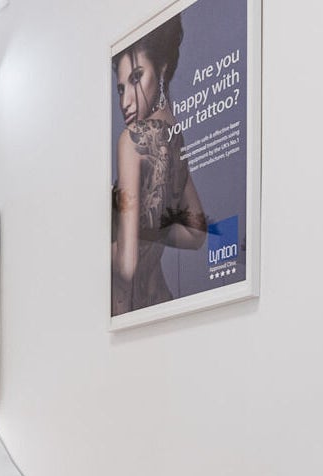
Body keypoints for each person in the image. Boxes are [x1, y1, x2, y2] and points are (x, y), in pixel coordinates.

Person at [111, 15, 207, 316]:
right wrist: (148, 227)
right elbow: (196, 234)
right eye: (120, 88)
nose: (126, 101)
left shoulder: (131, 141)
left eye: (136, 78)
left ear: (162, 69)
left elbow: (127, 265)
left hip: (128, 315)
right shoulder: (173, 137)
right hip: (159, 303)